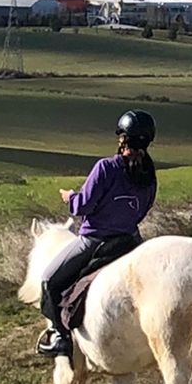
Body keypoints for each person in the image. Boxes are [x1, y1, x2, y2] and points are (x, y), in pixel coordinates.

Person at [36, 110, 159, 358]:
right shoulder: (150, 176)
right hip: (130, 242)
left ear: (122, 139)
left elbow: (82, 207)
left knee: (49, 281)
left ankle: (61, 337)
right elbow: (142, 211)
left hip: (95, 241)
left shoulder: (106, 168)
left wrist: (69, 197)